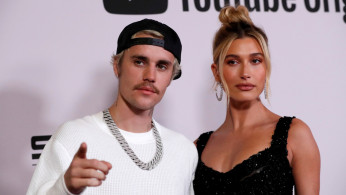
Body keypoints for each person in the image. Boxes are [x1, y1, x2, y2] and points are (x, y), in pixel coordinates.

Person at [27, 19, 198, 195]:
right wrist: (63, 188)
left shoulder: (184, 150)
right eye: (139, 62)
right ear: (117, 66)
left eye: (162, 66)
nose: (150, 76)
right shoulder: (73, 137)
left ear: (171, 76)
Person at [193, 5, 320, 195]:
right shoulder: (197, 148)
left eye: (255, 61)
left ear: (266, 68)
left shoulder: (294, 135)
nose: (245, 73)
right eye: (233, 62)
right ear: (216, 72)